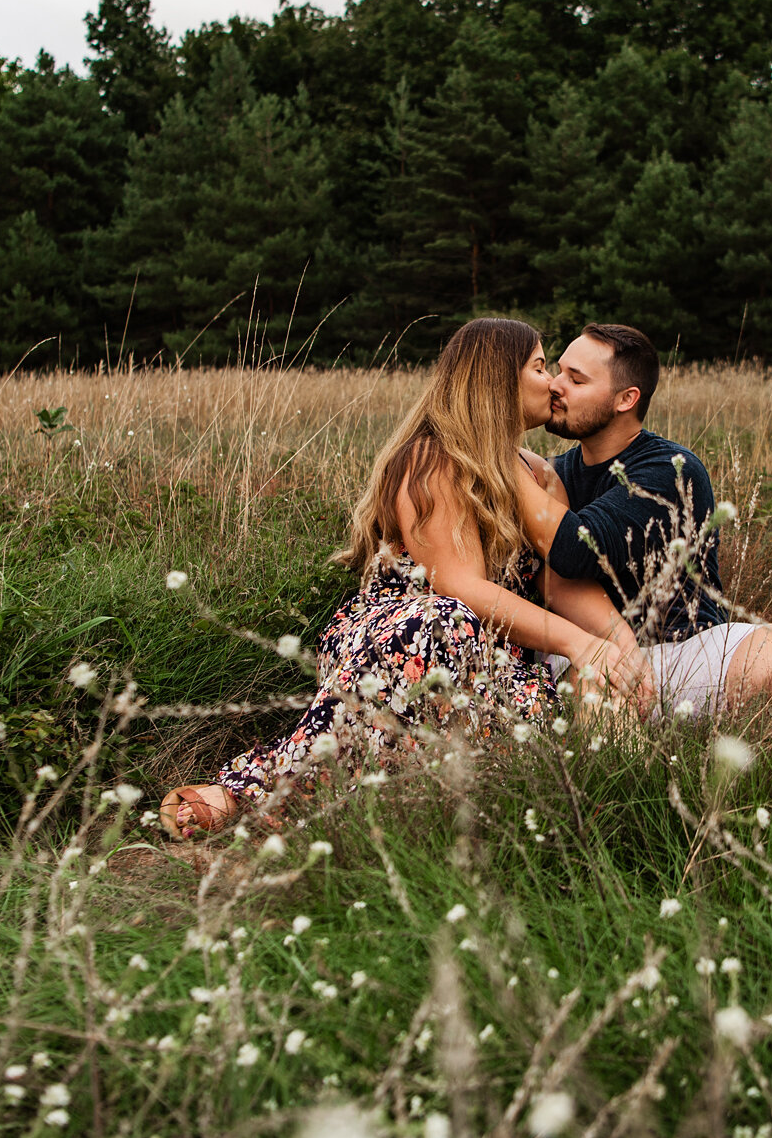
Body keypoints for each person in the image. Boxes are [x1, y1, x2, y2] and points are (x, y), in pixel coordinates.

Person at [159, 319, 644, 838]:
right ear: (495, 379)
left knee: (574, 705)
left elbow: (561, 586)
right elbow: (458, 586)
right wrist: (574, 641)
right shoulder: (431, 457)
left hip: (493, 658)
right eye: (539, 366)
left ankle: (598, 812)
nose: (551, 383)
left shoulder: (540, 476)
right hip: (402, 634)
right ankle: (258, 792)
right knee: (446, 621)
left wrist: (617, 648)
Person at [513, 323, 772, 728]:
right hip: (587, 655)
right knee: (596, 687)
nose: (556, 386)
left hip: (685, 653)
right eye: (558, 371)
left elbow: (577, 549)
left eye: (576, 379)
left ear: (626, 399)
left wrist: (499, 457)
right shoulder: (553, 474)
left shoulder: (667, 470)